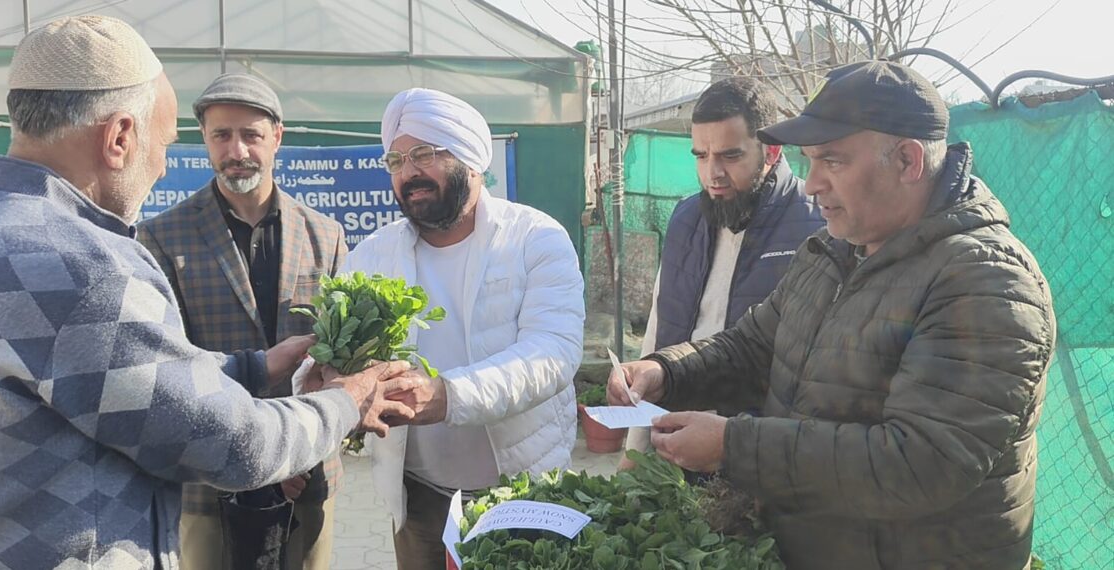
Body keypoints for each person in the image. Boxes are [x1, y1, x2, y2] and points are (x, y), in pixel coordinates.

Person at [0, 15, 415, 569]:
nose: (161, 166)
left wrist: (254, 369)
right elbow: (238, 444)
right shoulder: (85, 265)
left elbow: (126, 374)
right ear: (119, 137)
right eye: (165, 143)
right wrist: (348, 402)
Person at [608, 61, 1055, 569]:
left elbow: (917, 465)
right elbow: (753, 344)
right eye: (809, 161)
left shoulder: (986, 281)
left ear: (908, 161)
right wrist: (666, 371)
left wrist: (734, 446)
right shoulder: (833, 251)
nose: (812, 183)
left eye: (832, 162)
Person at [348, 88, 585, 569]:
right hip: (419, 499)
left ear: (471, 158)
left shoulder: (535, 239)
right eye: (395, 160)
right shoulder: (373, 254)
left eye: (424, 154)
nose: (408, 172)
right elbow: (339, 354)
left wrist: (446, 396)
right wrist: (320, 379)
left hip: (519, 490)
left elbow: (553, 352)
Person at [136, 73, 347, 570]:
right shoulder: (163, 238)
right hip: (208, 480)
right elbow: (170, 368)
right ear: (204, 141)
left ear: (277, 136)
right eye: (221, 135)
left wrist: (295, 453)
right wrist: (255, 456)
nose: (237, 150)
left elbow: (339, 358)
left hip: (308, 472)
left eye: (251, 134)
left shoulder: (325, 235)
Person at [620, 78, 823, 471]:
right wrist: (635, 448)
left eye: (730, 156)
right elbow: (660, 330)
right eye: (700, 156)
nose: (712, 174)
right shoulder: (685, 220)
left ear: (772, 151)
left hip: (762, 465)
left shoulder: (818, 226)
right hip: (675, 451)